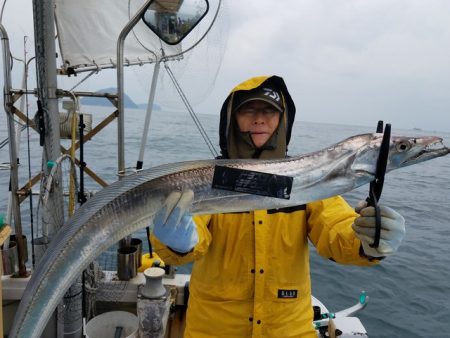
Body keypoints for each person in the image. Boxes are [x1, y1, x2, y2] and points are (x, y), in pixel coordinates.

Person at [151, 75, 406, 338]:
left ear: (283, 121)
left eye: (269, 111)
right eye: (248, 110)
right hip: (212, 330)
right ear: (231, 121)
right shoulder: (210, 178)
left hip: (291, 330)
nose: (259, 119)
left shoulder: (306, 178)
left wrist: (368, 240)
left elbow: (335, 229)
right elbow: (194, 239)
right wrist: (179, 242)